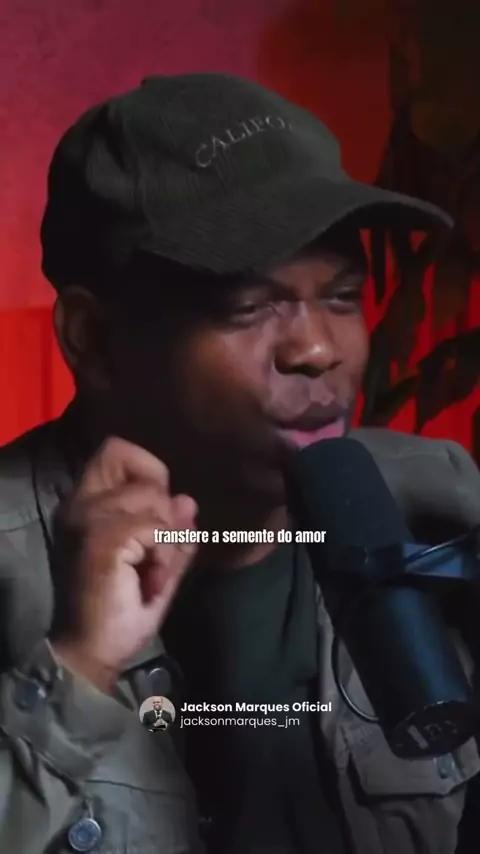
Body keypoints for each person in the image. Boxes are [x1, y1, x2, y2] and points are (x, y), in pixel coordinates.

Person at [0, 73, 479, 854]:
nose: (316, 349)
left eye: (343, 297)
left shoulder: (444, 500)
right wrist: (78, 671)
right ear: (94, 338)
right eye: (248, 308)